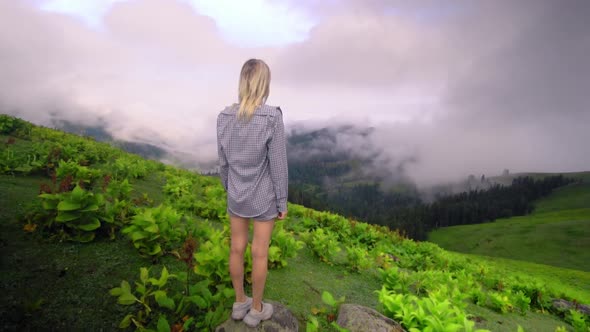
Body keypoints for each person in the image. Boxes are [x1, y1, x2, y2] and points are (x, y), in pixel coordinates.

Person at [216, 58, 288, 328]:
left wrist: (229, 188)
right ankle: (256, 309)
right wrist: (282, 201)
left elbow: (223, 162)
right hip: (263, 198)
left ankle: (239, 302)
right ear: (264, 84)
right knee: (259, 252)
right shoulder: (272, 117)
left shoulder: (224, 117)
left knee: (236, 248)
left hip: (236, 195)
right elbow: (278, 166)